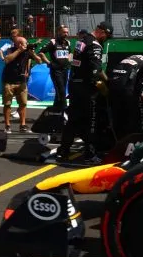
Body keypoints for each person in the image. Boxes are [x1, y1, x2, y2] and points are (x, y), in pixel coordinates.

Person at [54, 21, 112, 165]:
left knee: (73, 120)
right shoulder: (95, 45)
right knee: (91, 120)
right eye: (107, 36)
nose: (106, 39)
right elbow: (96, 70)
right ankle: (90, 155)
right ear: (102, 32)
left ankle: (63, 151)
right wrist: (106, 84)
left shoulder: (82, 40)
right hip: (86, 88)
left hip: (74, 84)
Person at [2, 33, 37, 133]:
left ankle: (23, 125)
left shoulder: (27, 52)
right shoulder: (11, 50)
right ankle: (7, 125)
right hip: (9, 81)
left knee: (23, 104)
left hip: (22, 81)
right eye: (24, 43)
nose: (26, 44)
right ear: (19, 44)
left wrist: (33, 53)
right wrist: (19, 50)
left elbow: (38, 61)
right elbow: (7, 60)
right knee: (7, 104)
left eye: (26, 43)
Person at [38, 24, 72, 111]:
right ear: (59, 32)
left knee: (61, 90)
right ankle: (64, 109)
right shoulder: (53, 42)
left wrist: (68, 61)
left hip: (65, 69)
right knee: (61, 90)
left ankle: (56, 108)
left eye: (67, 32)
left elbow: (70, 53)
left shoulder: (68, 42)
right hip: (56, 70)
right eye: (64, 32)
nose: (66, 34)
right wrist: (48, 62)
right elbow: (41, 52)